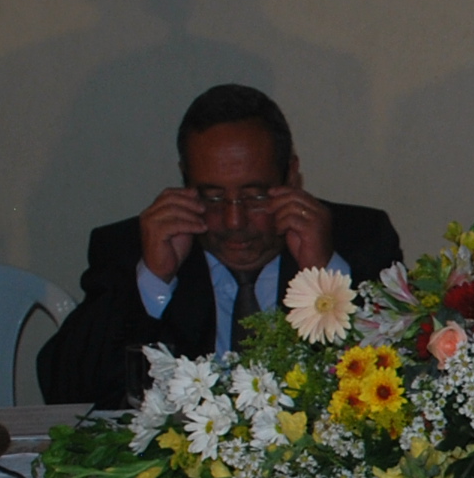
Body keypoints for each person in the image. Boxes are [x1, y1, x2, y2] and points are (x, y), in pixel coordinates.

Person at [37, 84, 401, 406]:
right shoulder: (134, 247)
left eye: (255, 196)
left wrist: (327, 281)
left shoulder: (359, 238)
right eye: (212, 197)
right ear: (186, 183)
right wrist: (154, 280)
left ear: (291, 177)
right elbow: (65, 390)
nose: (233, 220)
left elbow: (405, 379)